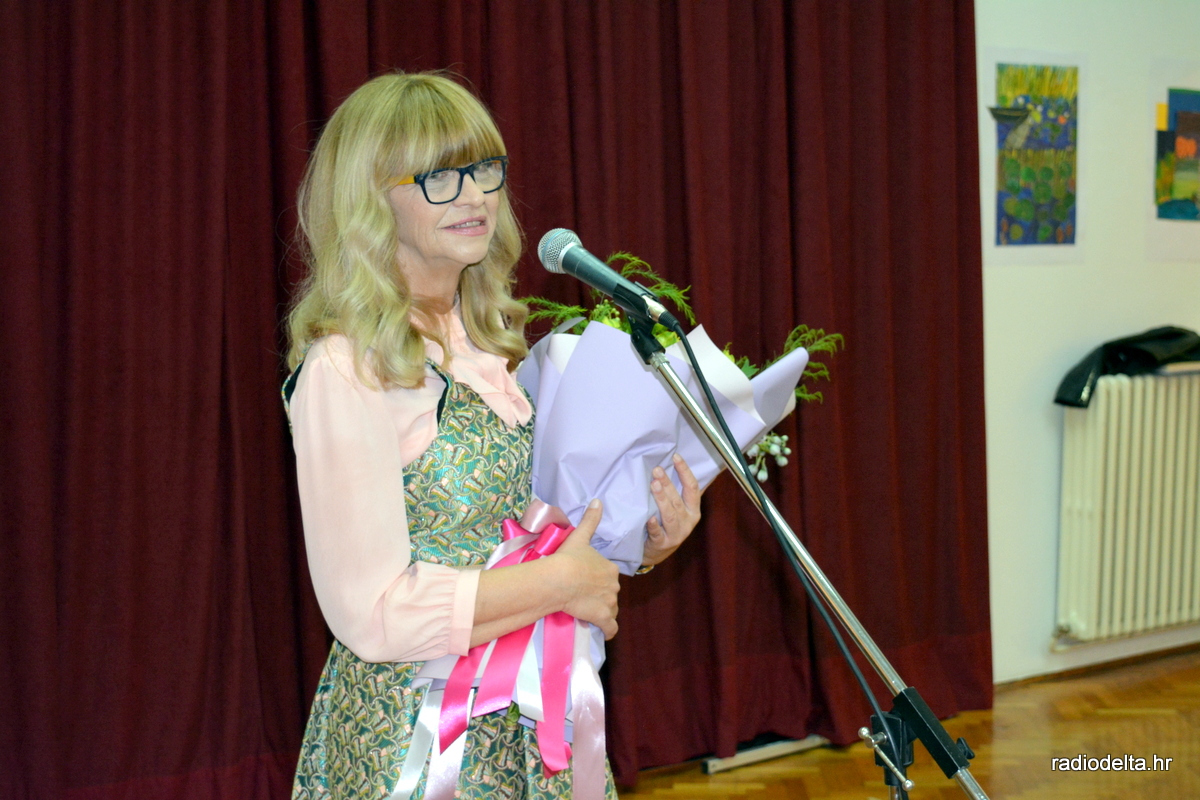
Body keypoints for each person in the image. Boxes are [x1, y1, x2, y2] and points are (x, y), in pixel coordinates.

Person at [283, 71, 702, 800]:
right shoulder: (345, 367)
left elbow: (526, 536)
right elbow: (373, 613)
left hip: (530, 721)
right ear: (370, 199)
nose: (475, 194)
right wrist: (561, 583)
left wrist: (642, 541)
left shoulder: (485, 346)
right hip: (415, 745)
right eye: (440, 177)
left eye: (484, 169)